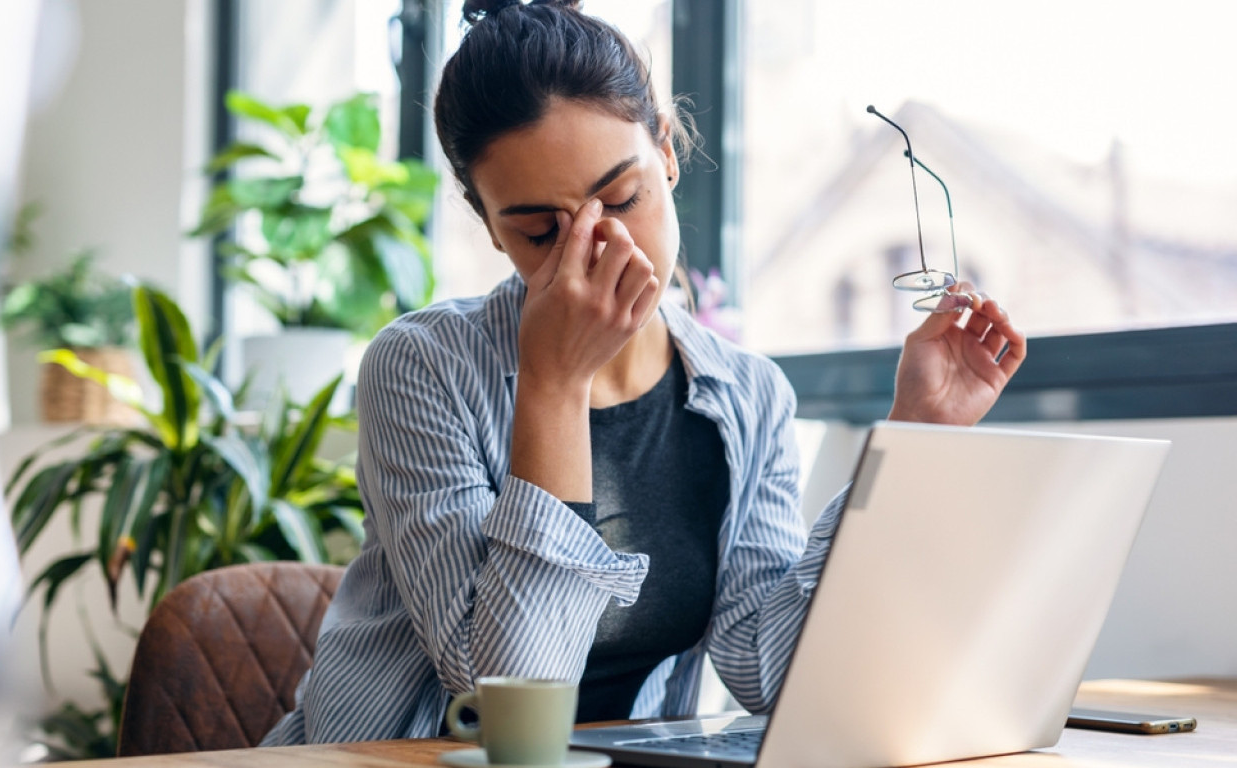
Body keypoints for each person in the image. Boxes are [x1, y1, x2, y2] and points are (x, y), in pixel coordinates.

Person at [262, 0, 1025, 745]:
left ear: (665, 148)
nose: (600, 252)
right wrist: (555, 388)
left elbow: (770, 666)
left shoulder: (748, 397)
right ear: (490, 228)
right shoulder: (422, 367)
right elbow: (504, 701)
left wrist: (915, 438)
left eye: (621, 199)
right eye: (538, 233)